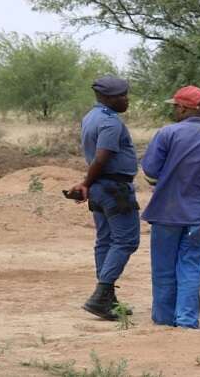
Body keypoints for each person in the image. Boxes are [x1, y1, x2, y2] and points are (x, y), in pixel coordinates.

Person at [141, 85, 200, 329]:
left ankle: (163, 320)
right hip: (199, 214)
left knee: (163, 269)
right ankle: (186, 321)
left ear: (183, 107)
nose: (174, 110)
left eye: (175, 106)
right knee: (191, 268)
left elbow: (150, 174)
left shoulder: (166, 133)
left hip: (165, 213)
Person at [69, 76, 140, 321]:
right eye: (122, 95)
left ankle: (107, 297)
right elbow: (101, 158)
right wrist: (85, 183)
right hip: (114, 188)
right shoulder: (111, 123)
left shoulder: (90, 117)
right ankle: (101, 295)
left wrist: (89, 184)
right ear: (108, 98)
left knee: (106, 240)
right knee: (126, 241)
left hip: (100, 188)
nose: (126, 99)